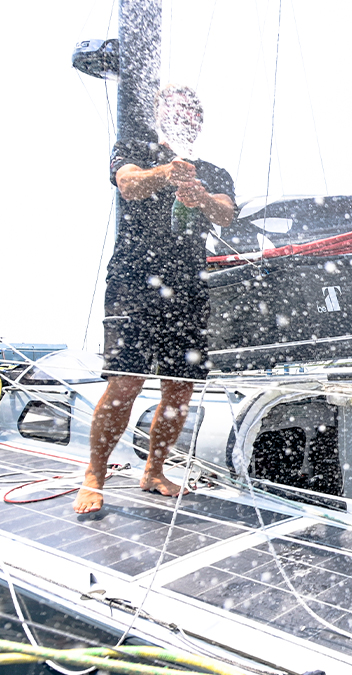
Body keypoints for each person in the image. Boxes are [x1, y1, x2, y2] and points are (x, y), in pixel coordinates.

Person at [74, 86, 235, 514]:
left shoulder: (215, 172)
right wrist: (167, 174)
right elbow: (127, 184)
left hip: (188, 287)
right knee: (125, 382)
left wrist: (198, 195)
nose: (187, 115)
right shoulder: (134, 149)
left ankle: (155, 470)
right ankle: (94, 475)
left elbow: (226, 213)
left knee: (180, 389)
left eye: (193, 110)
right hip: (134, 281)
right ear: (160, 116)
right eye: (177, 109)